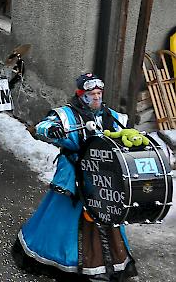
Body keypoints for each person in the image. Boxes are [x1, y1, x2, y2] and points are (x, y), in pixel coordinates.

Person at [12, 73, 137, 281]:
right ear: (81, 95)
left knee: (107, 215)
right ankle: (59, 256)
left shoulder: (110, 115)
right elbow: (42, 127)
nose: (96, 97)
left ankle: (109, 262)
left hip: (103, 179)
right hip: (74, 174)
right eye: (91, 94)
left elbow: (123, 133)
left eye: (99, 93)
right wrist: (53, 130)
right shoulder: (66, 114)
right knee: (64, 216)